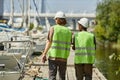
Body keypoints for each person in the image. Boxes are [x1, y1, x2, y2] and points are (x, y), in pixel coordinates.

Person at [41, 11, 72, 80]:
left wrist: (44, 54)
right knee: (62, 77)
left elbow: (49, 42)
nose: (55, 20)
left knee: (52, 77)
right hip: (63, 58)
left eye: (55, 19)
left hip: (53, 57)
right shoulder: (69, 31)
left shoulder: (53, 28)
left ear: (58, 19)